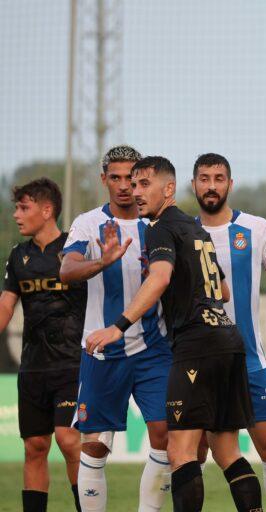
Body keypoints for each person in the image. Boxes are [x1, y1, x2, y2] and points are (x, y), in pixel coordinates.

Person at [84, 156, 263, 511]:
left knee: (180, 452)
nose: (136, 192)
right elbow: (223, 293)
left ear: (168, 189)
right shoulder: (195, 229)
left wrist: (119, 326)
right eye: (133, 185)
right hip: (227, 339)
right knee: (228, 452)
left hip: (196, 346)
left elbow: (161, 278)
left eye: (144, 184)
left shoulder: (160, 228)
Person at [60, 146, 173, 512]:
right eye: (116, 178)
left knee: (165, 436)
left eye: (132, 178)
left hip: (154, 348)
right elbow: (67, 270)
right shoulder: (88, 223)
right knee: (94, 444)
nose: (125, 187)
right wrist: (101, 261)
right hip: (102, 350)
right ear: (104, 179)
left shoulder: (157, 224)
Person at [193, 153, 266, 512]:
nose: (211, 186)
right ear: (194, 185)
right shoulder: (182, 233)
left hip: (249, 359)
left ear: (230, 184)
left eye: (218, 178)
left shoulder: (257, 228)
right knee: (193, 452)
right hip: (201, 361)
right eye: (205, 178)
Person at [0, 179, 84, 512]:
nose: (17, 216)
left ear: (46, 210)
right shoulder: (18, 257)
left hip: (72, 364)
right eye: (16, 208)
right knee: (35, 446)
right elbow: (7, 303)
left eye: (24, 208)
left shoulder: (75, 250)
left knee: (68, 440)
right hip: (33, 366)